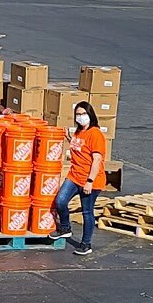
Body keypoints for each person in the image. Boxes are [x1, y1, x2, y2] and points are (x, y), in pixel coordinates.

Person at [50, 101, 106, 256]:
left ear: (90, 115)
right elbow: (79, 148)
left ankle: (86, 244)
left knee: (87, 212)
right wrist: (69, 138)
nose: (80, 117)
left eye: (83, 114)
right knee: (60, 201)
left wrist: (90, 181)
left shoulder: (95, 134)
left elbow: (96, 160)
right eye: (78, 114)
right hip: (75, 176)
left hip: (90, 180)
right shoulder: (79, 132)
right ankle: (65, 228)